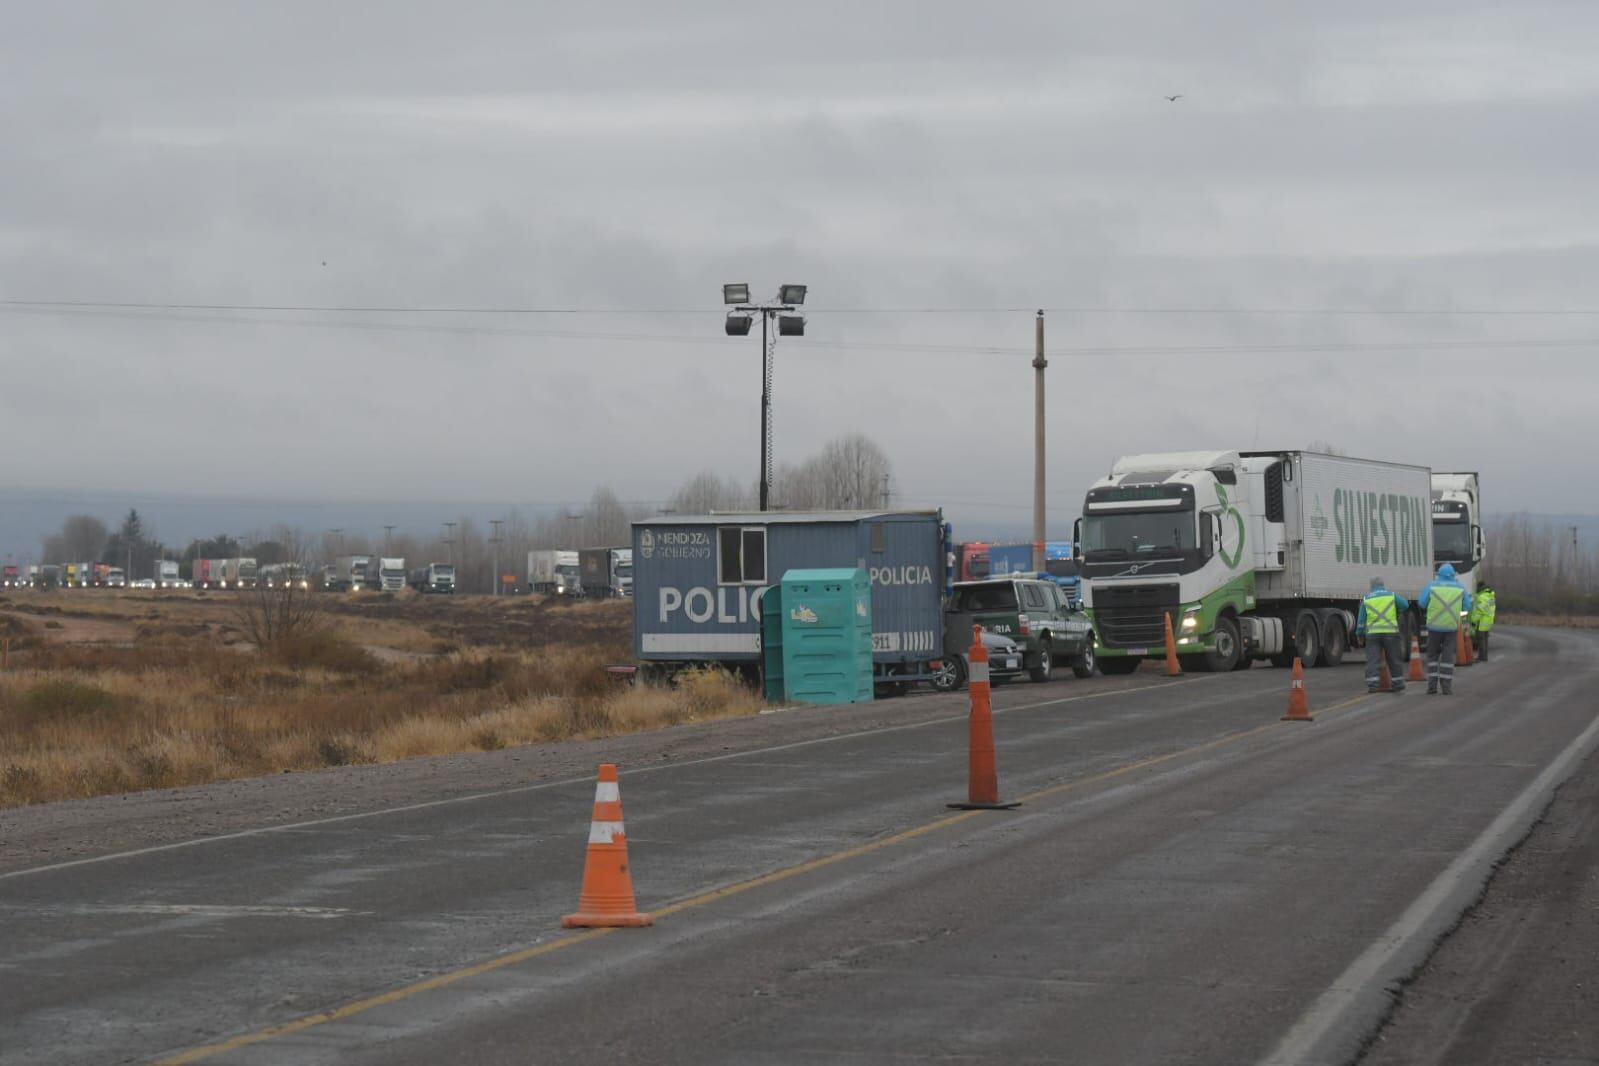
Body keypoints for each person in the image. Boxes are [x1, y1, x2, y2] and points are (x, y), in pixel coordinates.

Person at [1418, 563, 1473, 695]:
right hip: (1451, 627)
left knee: (1432, 656)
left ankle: (1432, 686)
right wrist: (1458, 615)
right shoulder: (1460, 588)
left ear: (1439, 574)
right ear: (1453, 575)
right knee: (1448, 657)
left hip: (1434, 627)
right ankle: (1446, 687)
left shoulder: (1432, 586)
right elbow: (1467, 607)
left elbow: (1422, 603)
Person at [1355, 576, 1409, 694]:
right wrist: (1397, 610)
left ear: (1372, 586)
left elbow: (1361, 620)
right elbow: (1405, 605)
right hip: (1390, 632)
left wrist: (1359, 635)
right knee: (1394, 658)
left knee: (1373, 660)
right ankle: (1398, 683)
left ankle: (1373, 685)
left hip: (1373, 635)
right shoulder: (1391, 595)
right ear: (1383, 585)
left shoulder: (1366, 599)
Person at [1469, 582, 1497, 661]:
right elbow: (1490, 608)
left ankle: (1482, 657)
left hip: (1482, 621)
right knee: (1485, 639)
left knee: (1481, 640)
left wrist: (1473, 619)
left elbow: (1479, 610)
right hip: (1488, 620)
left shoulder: (1482, 597)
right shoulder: (1491, 596)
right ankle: (1484, 656)